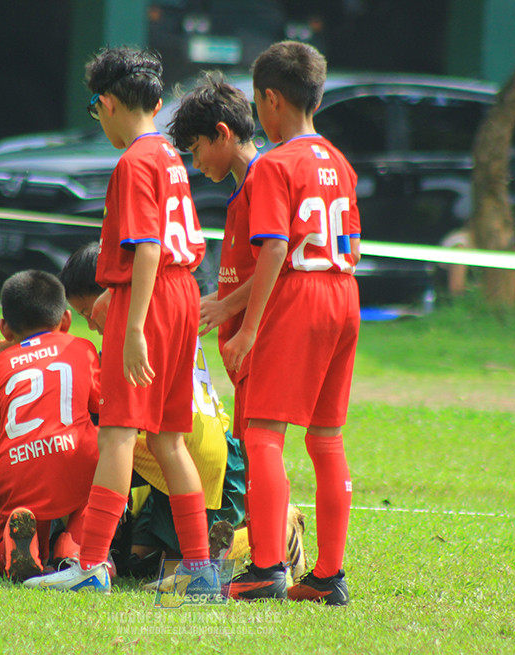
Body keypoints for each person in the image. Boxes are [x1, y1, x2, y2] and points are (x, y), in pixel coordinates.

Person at [25, 47, 213, 594]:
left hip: (149, 298)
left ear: (105, 103)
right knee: (170, 440)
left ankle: (89, 566)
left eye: (93, 108)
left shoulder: (134, 160)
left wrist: (131, 329)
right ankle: (199, 570)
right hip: (182, 294)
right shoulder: (172, 156)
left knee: (117, 437)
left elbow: (147, 249)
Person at [222, 41, 361, 606]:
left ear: (272, 99)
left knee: (263, 434)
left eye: (259, 104)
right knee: (326, 437)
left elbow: (276, 246)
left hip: (300, 295)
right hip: (344, 292)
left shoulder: (275, 164)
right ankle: (329, 575)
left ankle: (266, 567)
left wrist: (249, 328)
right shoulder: (338, 160)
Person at [57, 241, 244, 578]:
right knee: (145, 561)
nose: (91, 324)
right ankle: (199, 558)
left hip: (202, 466)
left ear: (111, 292)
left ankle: (267, 536)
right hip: (209, 458)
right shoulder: (169, 311)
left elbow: (118, 433)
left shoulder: (136, 333)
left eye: (88, 312)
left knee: (89, 449)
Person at [0, 270, 101, 582]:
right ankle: (72, 547)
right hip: (76, 466)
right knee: (104, 483)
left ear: (4, 328)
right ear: (66, 320)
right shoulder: (82, 348)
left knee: (20, 514)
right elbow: (103, 412)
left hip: (17, 475)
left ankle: (16, 542)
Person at [167, 71, 259, 442]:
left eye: (195, 149)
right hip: (243, 341)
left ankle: (269, 503)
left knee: (259, 441)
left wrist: (227, 307)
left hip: (260, 338)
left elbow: (279, 263)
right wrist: (210, 302)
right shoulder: (244, 187)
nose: (196, 163)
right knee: (250, 438)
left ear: (222, 133)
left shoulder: (262, 180)